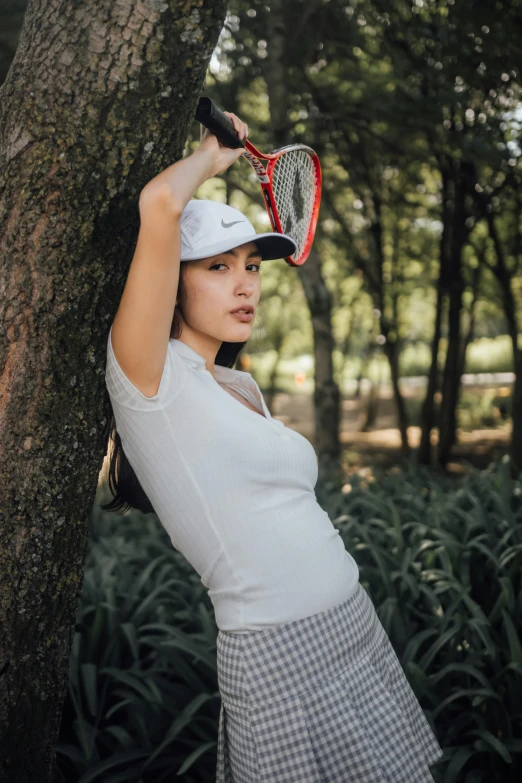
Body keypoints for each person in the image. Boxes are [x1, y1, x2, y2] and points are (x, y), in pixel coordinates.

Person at [103, 111, 443, 782]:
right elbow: (160, 204)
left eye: (253, 266)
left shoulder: (236, 385)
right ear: (171, 277)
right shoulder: (150, 377)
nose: (246, 284)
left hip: (350, 624)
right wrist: (212, 151)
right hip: (278, 650)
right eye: (219, 267)